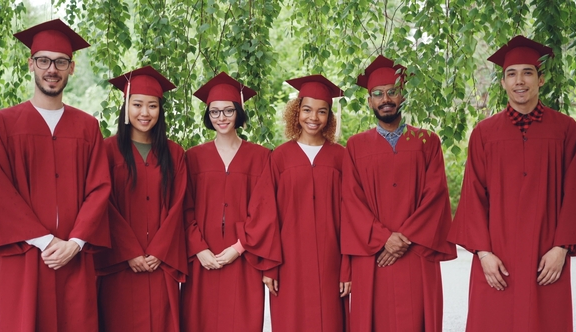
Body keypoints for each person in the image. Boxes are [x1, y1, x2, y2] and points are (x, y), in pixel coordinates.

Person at [448, 35, 576, 332]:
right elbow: (473, 197)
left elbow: (575, 193)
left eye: (528, 72)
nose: (519, 81)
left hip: (546, 259)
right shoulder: (484, 133)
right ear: (503, 83)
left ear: (541, 79)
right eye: (511, 74)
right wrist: (483, 254)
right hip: (497, 259)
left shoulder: (566, 131)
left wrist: (561, 248)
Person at [0, 19, 111, 331]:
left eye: (60, 62)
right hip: (24, 254)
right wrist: (44, 240)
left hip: (75, 256)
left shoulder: (87, 127)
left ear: (71, 68)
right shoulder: (3, 124)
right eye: (44, 60)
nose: (51, 69)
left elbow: (99, 188)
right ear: (31, 64)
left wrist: (76, 242)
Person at [341, 55, 457, 332]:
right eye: (377, 94)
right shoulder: (356, 146)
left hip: (417, 251)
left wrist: (402, 240)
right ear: (369, 101)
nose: (385, 99)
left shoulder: (427, 141)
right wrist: (384, 238)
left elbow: (436, 196)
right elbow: (351, 201)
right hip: (374, 254)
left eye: (392, 91)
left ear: (403, 95)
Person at [180, 72, 281, 332]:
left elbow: (265, 211)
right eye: (214, 112)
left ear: (239, 111)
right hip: (202, 258)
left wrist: (238, 247)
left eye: (227, 111)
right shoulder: (193, 157)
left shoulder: (261, 157)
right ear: (208, 115)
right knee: (199, 321)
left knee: (240, 322)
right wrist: (199, 249)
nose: (221, 118)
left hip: (243, 257)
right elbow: (183, 208)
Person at [95, 66, 188, 332]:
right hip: (119, 266)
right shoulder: (106, 150)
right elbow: (103, 204)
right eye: (137, 105)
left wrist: (158, 251)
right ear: (126, 107)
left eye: (152, 106)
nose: (145, 113)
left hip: (161, 265)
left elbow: (178, 204)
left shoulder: (175, 153)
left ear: (161, 110)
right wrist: (130, 251)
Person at [263, 75, 350, 331]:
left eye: (322, 111)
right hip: (289, 263)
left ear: (329, 117)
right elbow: (267, 215)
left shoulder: (341, 157)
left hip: (331, 261)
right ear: (296, 111)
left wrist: (348, 268)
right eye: (307, 110)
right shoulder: (279, 158)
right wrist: (270, 265)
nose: (314, 118)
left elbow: (351, 216)